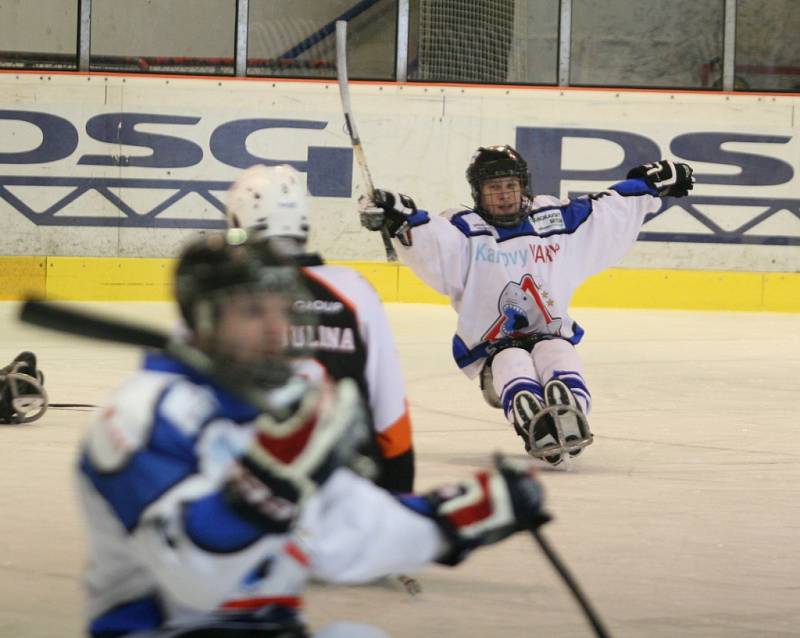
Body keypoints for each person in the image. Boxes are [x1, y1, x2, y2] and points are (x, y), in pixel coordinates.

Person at [76, 232, 550, 638]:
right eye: (252, 311)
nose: (276, 328)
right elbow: (194, 578)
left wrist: (458, 514)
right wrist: (272, 480)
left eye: (283, 310)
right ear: (204, 318)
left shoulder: (276, 409)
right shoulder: (139, 414)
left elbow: (339, 531)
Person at [359, 147, 694, 466]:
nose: (504, 195)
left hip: (551, 333)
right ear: (478, 192)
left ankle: (570, 410)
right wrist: (397, 217)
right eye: (494, 188)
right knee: (512, 358)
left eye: (511, 186)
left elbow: (606, 210)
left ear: (524, 187)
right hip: (494, 351)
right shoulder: (464, 228)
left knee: (556, 352)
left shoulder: (556, 219)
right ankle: (532, 416)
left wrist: (649, 182)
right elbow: (431, 236)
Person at [226, 164, 415, 493]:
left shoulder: (224, 296)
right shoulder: (354, 291)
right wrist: (398, 498)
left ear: (238, 222)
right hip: (346, 493)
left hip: (249, 498)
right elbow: (390, 415)